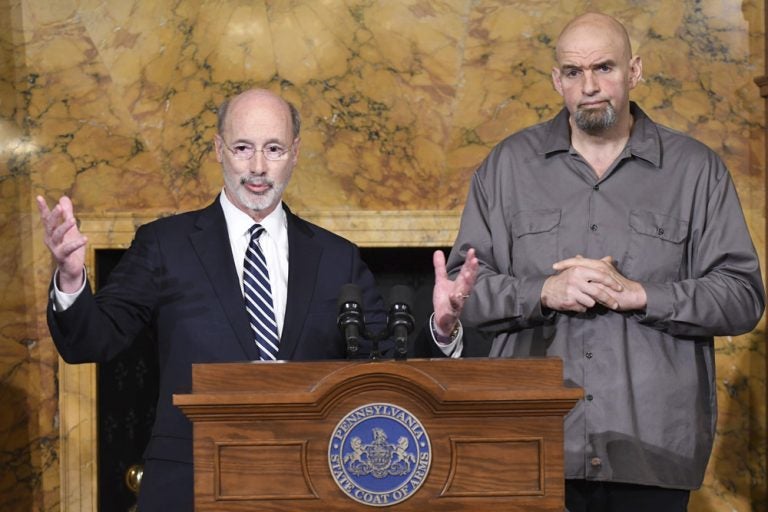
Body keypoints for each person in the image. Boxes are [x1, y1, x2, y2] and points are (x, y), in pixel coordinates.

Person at [37, 88, 478, 510]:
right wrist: (72, 278)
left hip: (311, 482)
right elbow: (90, 342)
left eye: (274, 149)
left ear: (296, 153)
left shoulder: (335, 258)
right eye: (243, 148)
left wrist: (439, 330)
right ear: (218, 149)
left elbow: (386, 367)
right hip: (192, 482)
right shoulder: (164, 245)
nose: (258, 167)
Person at [437, 12, 765, 512]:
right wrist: (542, 292)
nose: (589, 86)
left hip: (651, 450)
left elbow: (742, 296)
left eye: (604, 69)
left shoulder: (695, 171)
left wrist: (642, 294)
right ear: (556, 80)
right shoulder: (506, 167)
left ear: (634, 71)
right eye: (573, 72)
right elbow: (463, 289)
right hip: (531, 444)